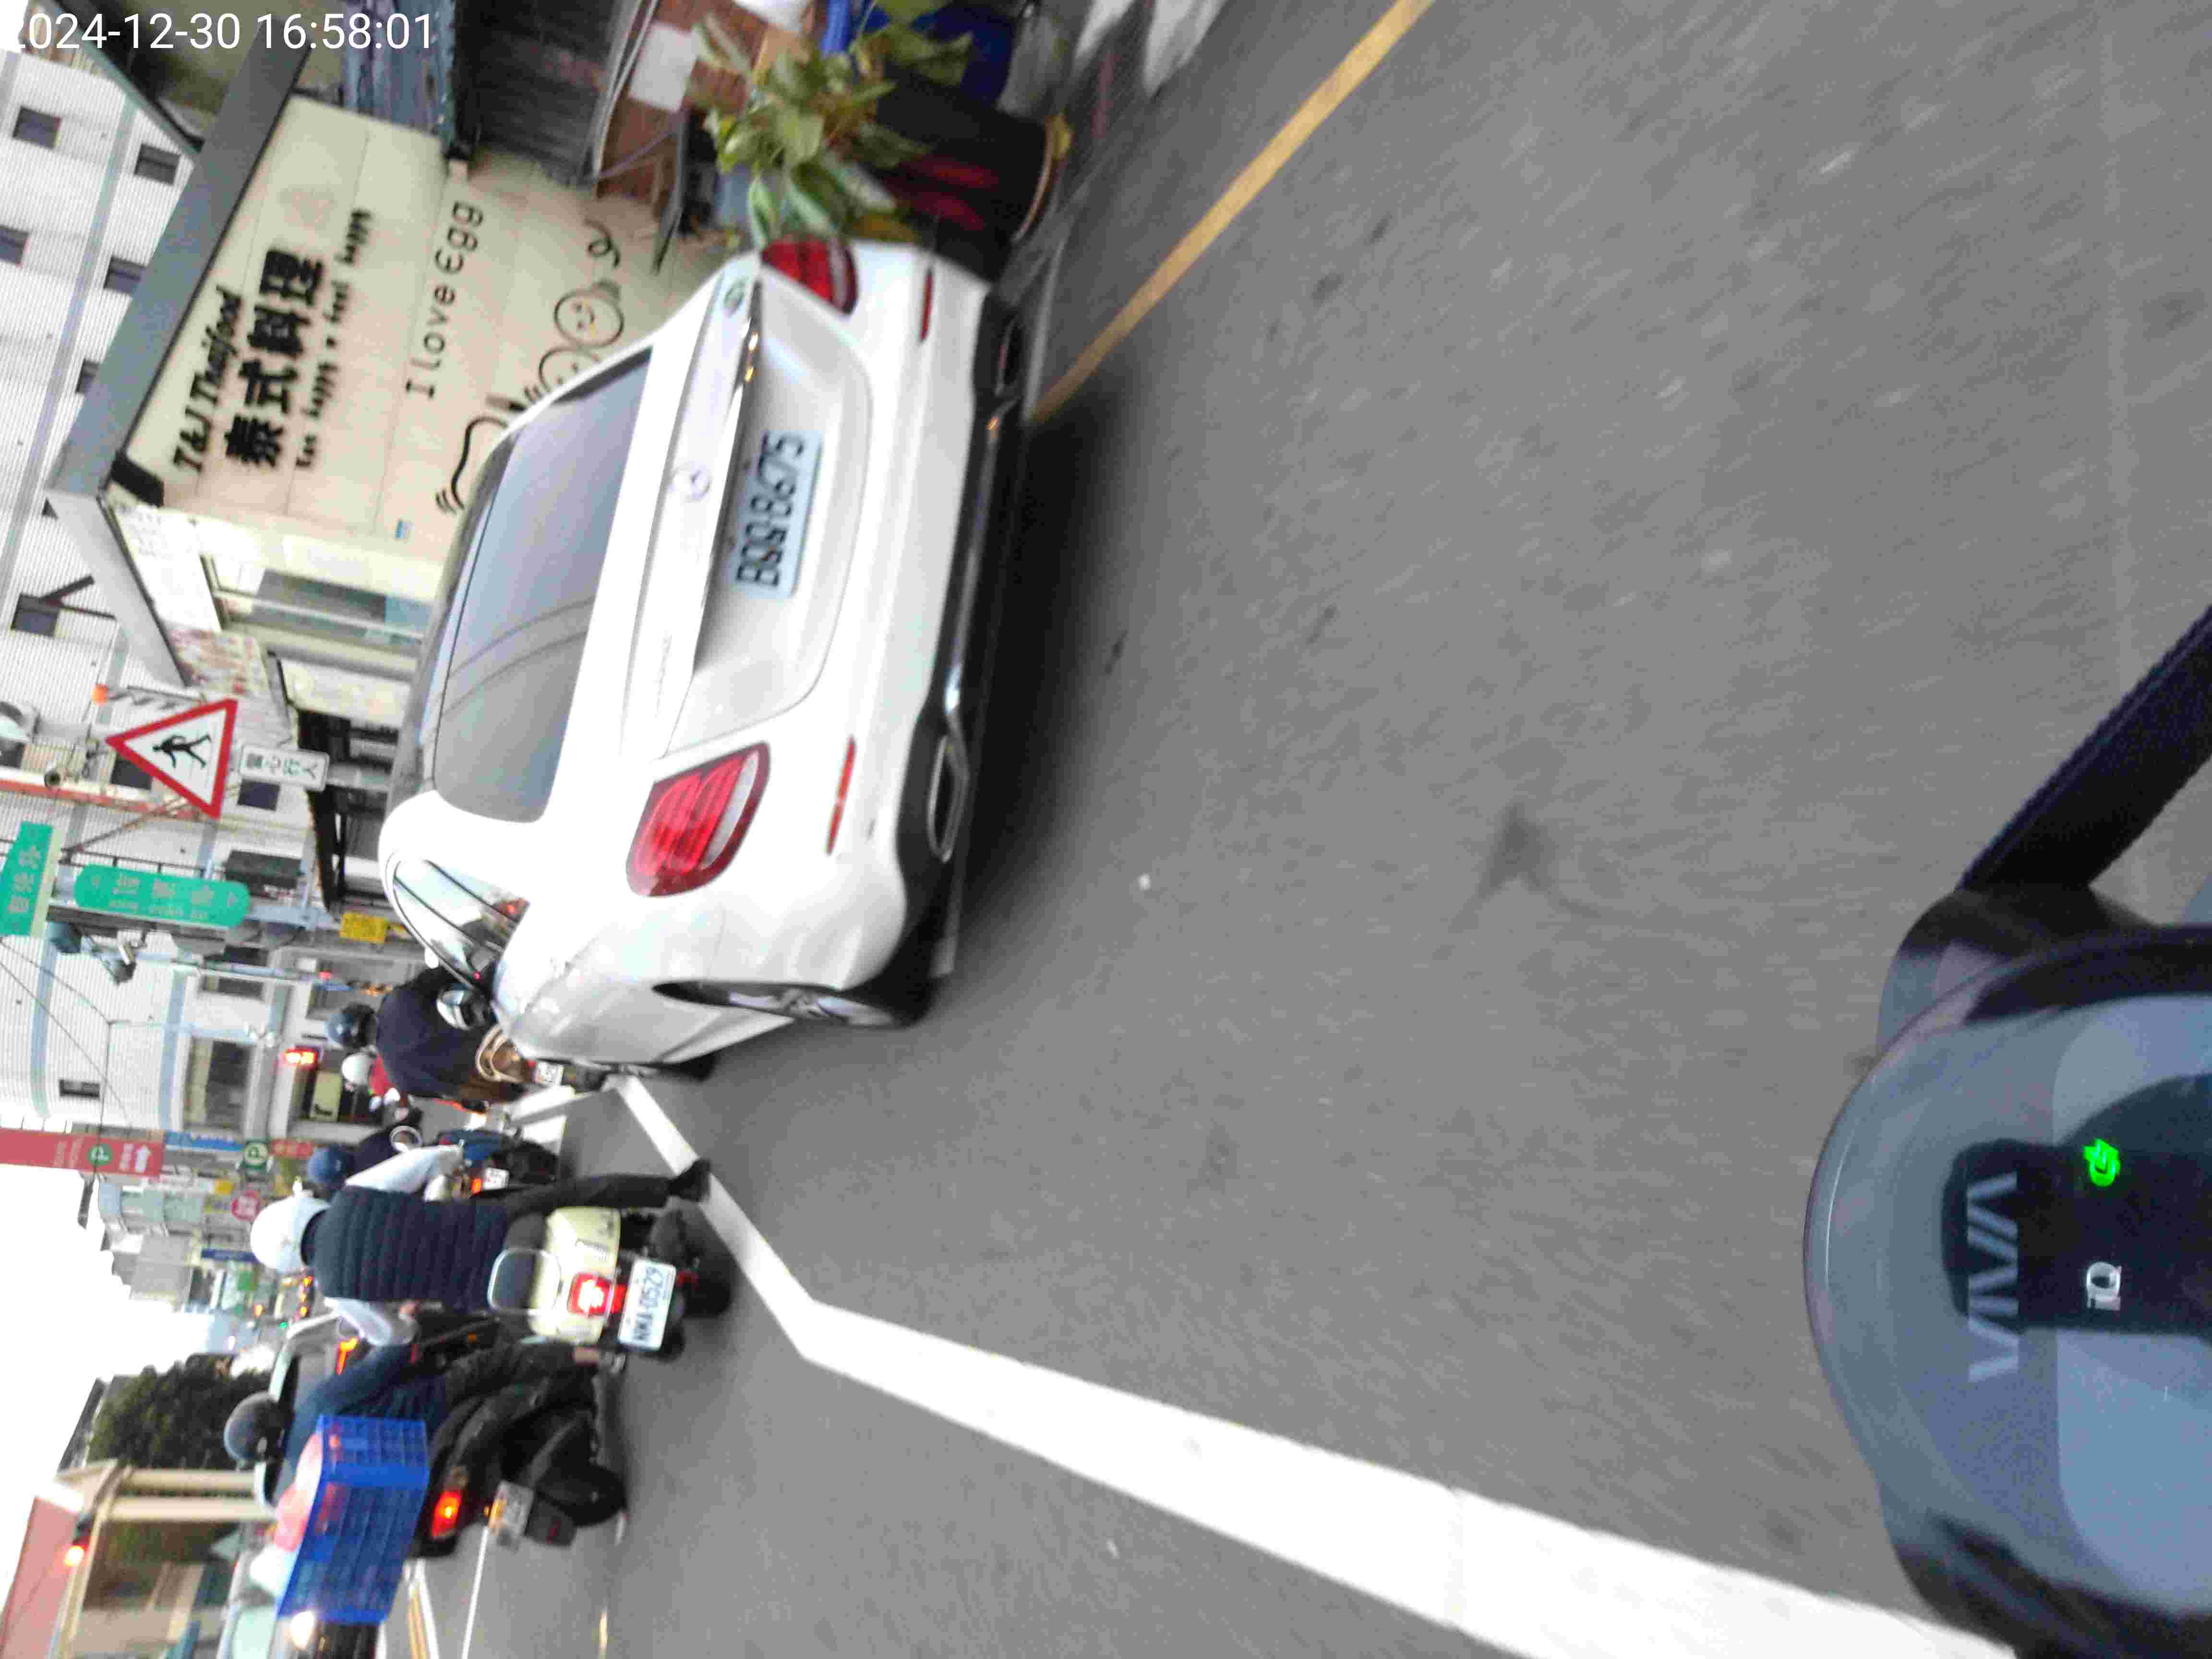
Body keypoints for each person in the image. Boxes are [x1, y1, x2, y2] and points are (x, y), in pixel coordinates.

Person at [250, 1141, 710, 1346]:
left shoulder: (337, 1291)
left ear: (293, 1264)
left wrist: (407, 1318)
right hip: (497, 1224)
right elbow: (426, 1161)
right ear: (303, 1209)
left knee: (540, 1339)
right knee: (580, 1193)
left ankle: (627, 1344)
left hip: (493, 1293)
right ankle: (675, 1188)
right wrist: (450, 1162)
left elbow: (391, 1336)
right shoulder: (353, 1195)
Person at [223, 1337, 623, 1499]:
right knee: (505, 1360)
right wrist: (399, 1335)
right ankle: (598, 1356)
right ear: (270, 1414)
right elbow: (380, 1369)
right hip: (438, 1405)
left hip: (423, 1477)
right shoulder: (318, 1405)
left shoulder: (306, 1477)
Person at [300, 1098, 427, 1198]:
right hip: (427, 1159)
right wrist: (413, 1116)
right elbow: (399, 1128)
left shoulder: (359, 1193)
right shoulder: (366, 1146)